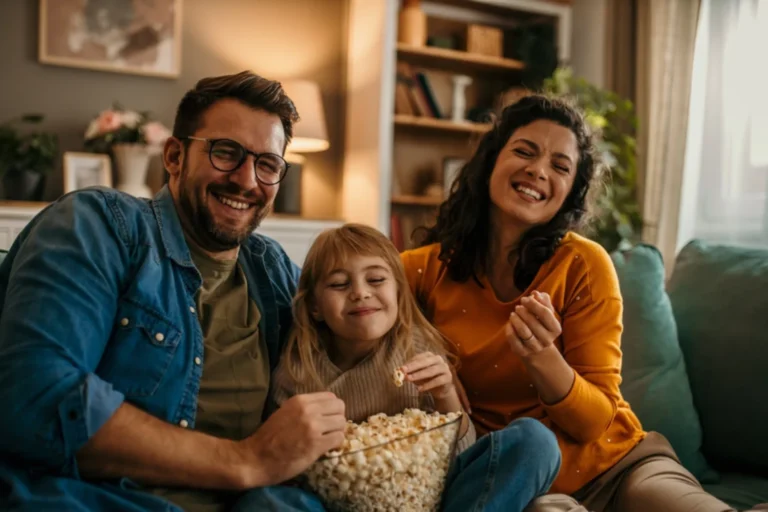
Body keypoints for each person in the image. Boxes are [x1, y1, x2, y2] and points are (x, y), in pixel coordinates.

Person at [0, 71, 349, 512]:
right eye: (226, 153)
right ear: (174, 156)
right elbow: (37, 398)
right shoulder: (98, 227)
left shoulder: (273, 270)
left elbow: (358, 355)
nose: (246, 181)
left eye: (267, 165)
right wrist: (246, 460)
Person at [399, 94, 738, 512]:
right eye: (524, 151)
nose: (538, 171)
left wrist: (542, 357)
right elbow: (348, 295)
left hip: (617, 466)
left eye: (560, 166)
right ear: (490, 161)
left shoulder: (583, 264)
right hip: (515, 483)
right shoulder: (425, 269)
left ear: (569, 193)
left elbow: (595, 420)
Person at [259, 223, 561, 512]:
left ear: (400, 292)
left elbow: (461, 454)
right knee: (267, 500)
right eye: (339, 284)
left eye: (376, 280)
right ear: (314, 306)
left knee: (535, 441)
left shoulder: (419, 351)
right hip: (338, 503)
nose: (360, 292)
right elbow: (284, 466)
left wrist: (445, 396)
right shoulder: (297, 373)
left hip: (434, 498)